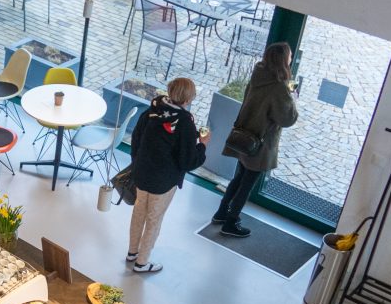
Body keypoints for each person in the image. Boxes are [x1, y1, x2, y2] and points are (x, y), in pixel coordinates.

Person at [213, 41, 299, 237]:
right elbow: (287, 119)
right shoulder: (279, 87)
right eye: (289, 56)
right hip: (261, 143)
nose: (291, 59)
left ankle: (221, 212)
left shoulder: (258, 74)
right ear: (283, 60)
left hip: (244, 135)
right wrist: (292, 97)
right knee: (247, 184)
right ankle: (231, 223)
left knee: (239, 178)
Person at [126, 77, 208, 274]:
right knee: (154, 220)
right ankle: (142, 263)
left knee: (139, 212)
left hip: (142, 174)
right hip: (163, 181)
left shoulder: (152, 110)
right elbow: (188, 161)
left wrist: (137, 163)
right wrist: (202, 145)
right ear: (188, 99)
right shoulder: (185, 123)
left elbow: (136, 139)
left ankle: (132, 252)